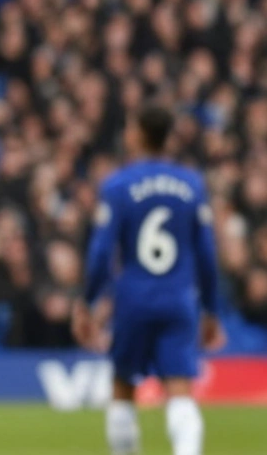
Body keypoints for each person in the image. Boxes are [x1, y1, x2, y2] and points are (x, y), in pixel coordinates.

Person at [76, 105, 223, 455]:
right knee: (180, 391)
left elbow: (101, 252)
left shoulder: (118, 185)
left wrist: (88, 301)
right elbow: (207, 255)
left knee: (123, 388)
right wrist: (211, 310)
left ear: (138, 134)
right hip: (178, 299)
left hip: (133, 299)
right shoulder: (191, 185)